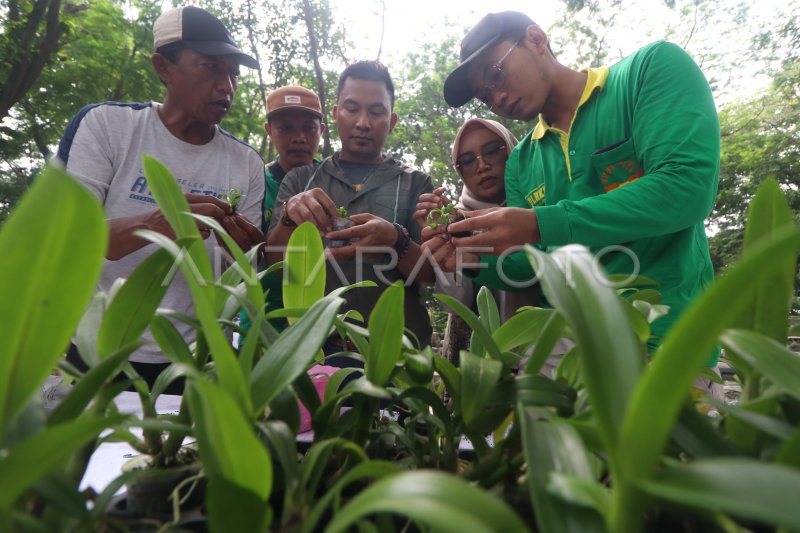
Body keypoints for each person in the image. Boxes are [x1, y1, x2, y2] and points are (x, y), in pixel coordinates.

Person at [427, 11, 723, 396]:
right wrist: (470, 258)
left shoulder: (647, 72)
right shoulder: (523, 160)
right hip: (561, 357)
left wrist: (540, 222)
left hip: (666, 343)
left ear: (536, 39)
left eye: (496, 74)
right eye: (485, 95)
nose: (496, 97)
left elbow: (687, 186)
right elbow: (529, 265)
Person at [57, 6, 265, 390]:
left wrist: (243, 248)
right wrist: (153, 225)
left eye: (232, 73)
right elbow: (68, 241)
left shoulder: (246, 162)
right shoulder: (108, 127)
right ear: (163, 67)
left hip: (194, 361)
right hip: (97, 350)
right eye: (211, 68)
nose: (227, 86)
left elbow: (243, 271)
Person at [266, 60, 435, 359]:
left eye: (376, 111)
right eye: (352, 108)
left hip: (398, 352)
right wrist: (290, 217)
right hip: (316, 351)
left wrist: (398, 240)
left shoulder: (415, 183)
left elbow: (430, 273)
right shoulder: (302, 179)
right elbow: (277, 260)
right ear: (334, 115)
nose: (363, 123)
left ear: (392, 120)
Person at [414, 118, 539, 361]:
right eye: (468, 161)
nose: (482, 165)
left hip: (550, 349)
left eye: (492, 151)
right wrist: (448, 240)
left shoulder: (541, 204)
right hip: (478, 363)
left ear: (512, 151)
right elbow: (453, 303)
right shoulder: (457, 220)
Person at [240, 85, 326, 334]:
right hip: (262, 323)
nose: (298, 137)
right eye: (285, 127)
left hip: (322, 326)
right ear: (269, 131)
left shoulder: (332, 183)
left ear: (320, 130)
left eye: (309, 128)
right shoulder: (255, 185)